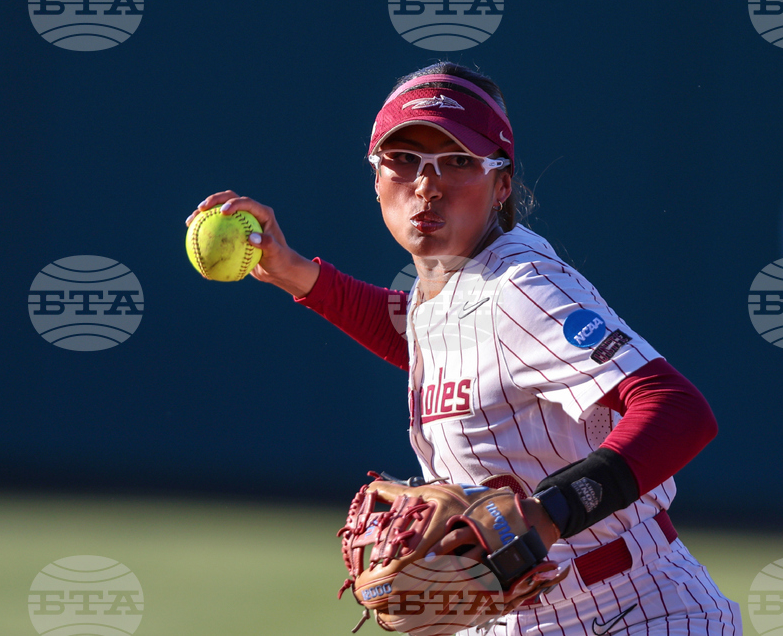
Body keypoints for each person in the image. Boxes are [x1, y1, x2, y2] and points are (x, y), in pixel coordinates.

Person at [186, 62, 741, 635]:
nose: (427, 185)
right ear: (375, 178)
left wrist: (550, 511)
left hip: (631, 611)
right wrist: (294, 271)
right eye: (404, 161)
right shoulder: (452, 280)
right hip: (520, 617)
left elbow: (678, 409)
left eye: (457, 162)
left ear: (501, 184)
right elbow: (427, 335)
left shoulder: (520, 287)